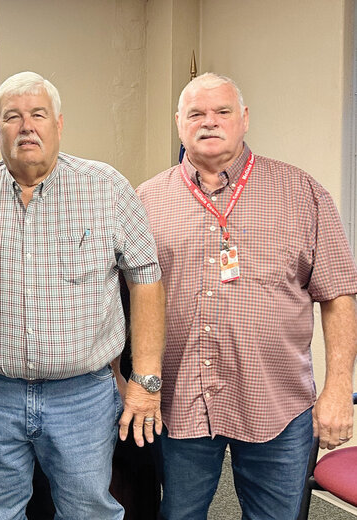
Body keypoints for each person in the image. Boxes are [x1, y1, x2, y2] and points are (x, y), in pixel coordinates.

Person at [0, 71, 166, 519]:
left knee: (87, 512)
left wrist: (146, 381)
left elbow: (146, 279)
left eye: (38, 114)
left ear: (59, 123)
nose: (26, 126)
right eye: (12, 117)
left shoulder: (107, 188)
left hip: (83, 397)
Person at [137, 72, 357, 519]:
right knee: (178, 514)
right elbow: (124, 299)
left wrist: (338, 386)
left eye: (222, 111)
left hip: (277, 402)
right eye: (196, 113)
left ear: (245, 119)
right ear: (179, 122)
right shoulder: (145, 201)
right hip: (181, 402)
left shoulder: (302, 193)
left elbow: (338, 295)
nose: (209, 122)